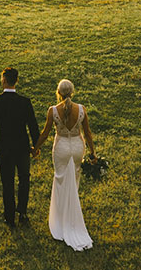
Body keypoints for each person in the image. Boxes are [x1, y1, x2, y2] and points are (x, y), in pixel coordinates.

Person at [32, 78, 95, 250]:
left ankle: (60, 221)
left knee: (60, 181)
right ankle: (72, 218)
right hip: (76, 148)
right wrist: (93, 153)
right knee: (73, 182)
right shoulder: (81, 109)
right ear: (72, 92)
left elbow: (45, 133)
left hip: (60, 149)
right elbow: (88, 133)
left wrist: (35, 148)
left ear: (58, 93)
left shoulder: (53, 111)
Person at [0, 67, 40, 227]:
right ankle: (22, 212)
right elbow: (33, 125)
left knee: (7, 182)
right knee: (24, 179)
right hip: (22, 146)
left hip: (4, 147)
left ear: (4, 80)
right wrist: (36, 145)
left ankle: (9, 216)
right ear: (16, 81)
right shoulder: (24, 102)